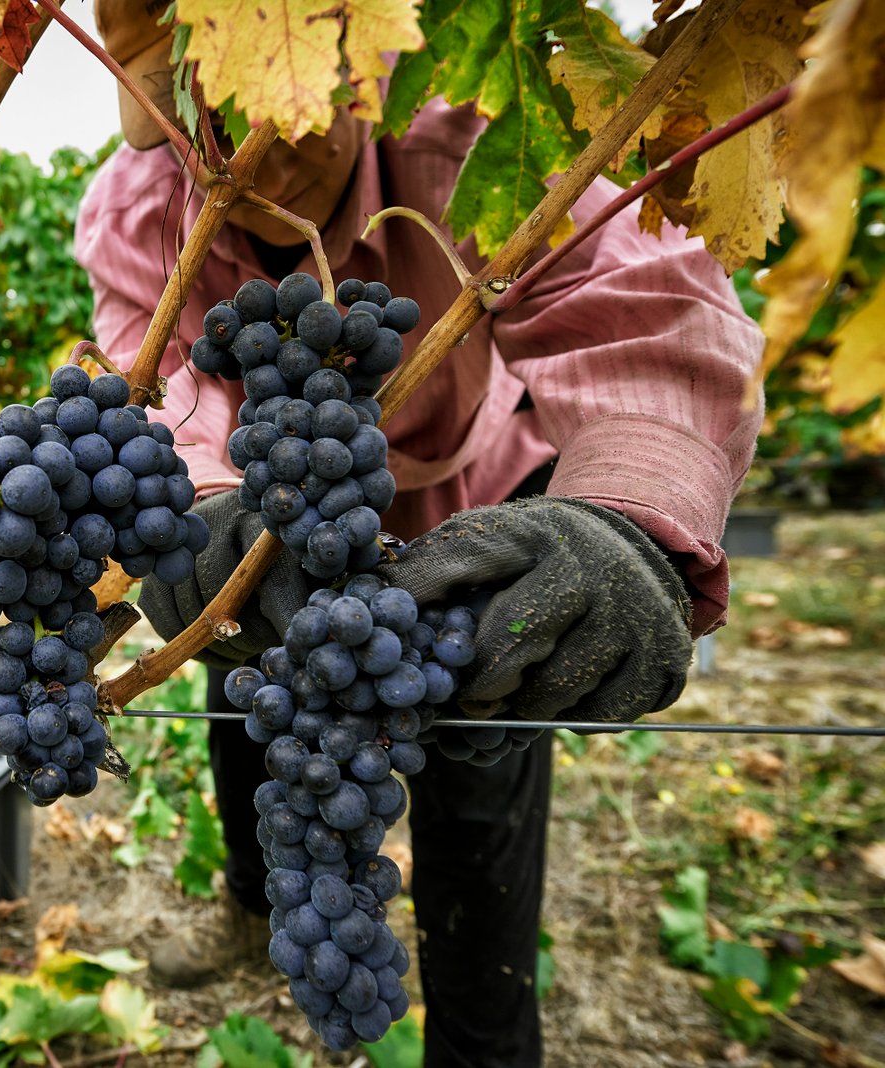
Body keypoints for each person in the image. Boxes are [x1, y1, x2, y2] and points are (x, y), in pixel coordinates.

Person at [74, 1, 763, 1064]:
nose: (262, 142)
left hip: (476, 504)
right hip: (275, 529)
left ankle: (484, 1041)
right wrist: (198, 512)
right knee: (251, 699)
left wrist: (625, 512)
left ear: (364, 56)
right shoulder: (140, 211)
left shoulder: (474, 129)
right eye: (211, 108)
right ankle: (255, 910)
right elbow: (162, 389)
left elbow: (635, 305)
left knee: (478, 751)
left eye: (294, 90)